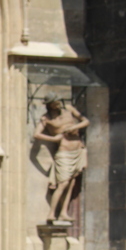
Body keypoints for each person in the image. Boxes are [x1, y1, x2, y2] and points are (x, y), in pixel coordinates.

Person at [33, 92, 90, 222]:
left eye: (59, 102)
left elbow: (86, 121)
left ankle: (63, 212)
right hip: (64, 152)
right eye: (55, 103)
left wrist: (74, 127)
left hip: (77, 150)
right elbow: (36, 134)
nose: (58, 105)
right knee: (63, 184)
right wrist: (54, 139)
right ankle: (51, 213)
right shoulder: (46, 118)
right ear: (50, 105)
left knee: (71, 183)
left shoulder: (69, 109)